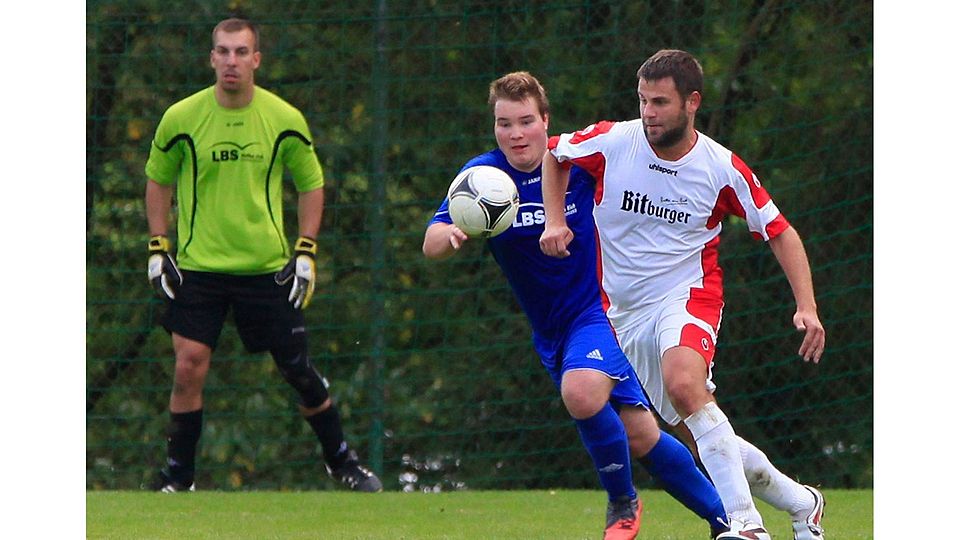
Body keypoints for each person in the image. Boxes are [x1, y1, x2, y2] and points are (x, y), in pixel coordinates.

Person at [424, 71, 730, 540]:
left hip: (603, 311)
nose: (515, 134)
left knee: (582, 392)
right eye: (504, 124)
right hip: (552, 329)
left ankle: (623, 504)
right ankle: (728, 520)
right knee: (640, 435)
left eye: (526, 121)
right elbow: (431, 244)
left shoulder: (579, 166)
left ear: (546, 121)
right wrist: (451, 234)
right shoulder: (482, 178)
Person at [539, 49, 826, 540]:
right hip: (626, 316)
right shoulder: (613, 141)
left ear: (691, 102)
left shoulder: (720, 167)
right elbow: (554, 152)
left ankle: (746, 525)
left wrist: (807, 307)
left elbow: (780, 230)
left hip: (689, 295)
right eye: (643, 100)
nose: (648, 112)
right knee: (702, 435)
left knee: (686, 385)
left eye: (660, 102)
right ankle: (803, 503)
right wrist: (555, 220)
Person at [143, 17, 381, 493]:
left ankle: (342, 462)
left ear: (256, 59)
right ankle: (178, 478)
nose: (231, 61)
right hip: (197, 267)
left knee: (297, 369)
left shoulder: (283, 118)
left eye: (241, 52)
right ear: (211, 58)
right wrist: (157, 246)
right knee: (188, 363)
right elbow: (158, 181)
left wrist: (305, 252)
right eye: (223, 51)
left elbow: (311, 184)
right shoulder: (181, 118)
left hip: (266, 268)